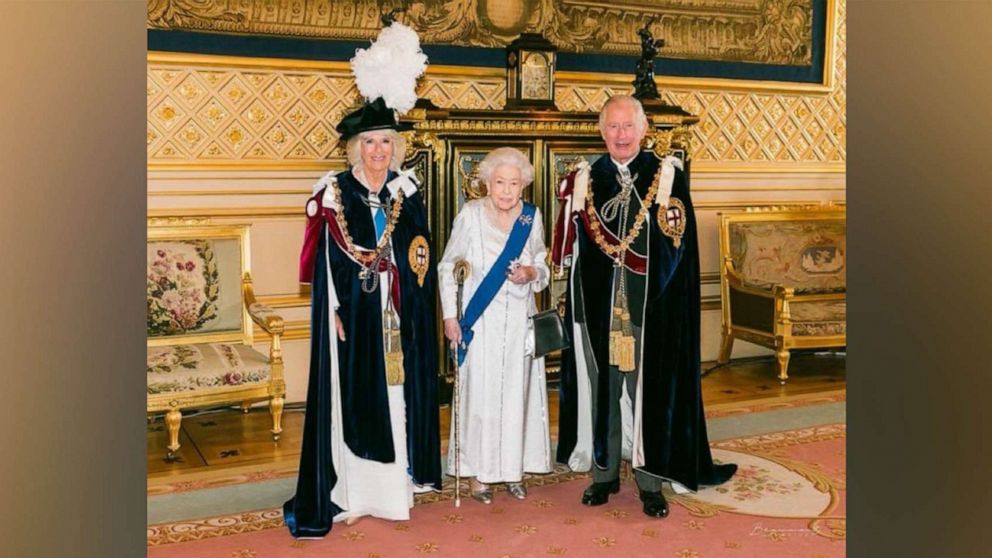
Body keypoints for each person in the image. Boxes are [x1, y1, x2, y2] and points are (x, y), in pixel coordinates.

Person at [284, 21, 440, 537]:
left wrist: (413, 302)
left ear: (396, 148)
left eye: (385, 142)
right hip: (353, 316)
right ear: (355, 147)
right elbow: (318, 261)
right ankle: (354, 491)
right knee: (354, 398)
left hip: (397, 318)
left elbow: (421, 253)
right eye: (369, 142)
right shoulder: (333, 194)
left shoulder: (406, 193)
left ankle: (396, 489)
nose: (377, 151)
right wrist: (330, 310)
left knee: (396, 395)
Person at [551, 95, 737, 518]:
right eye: (613, 127)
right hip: (600, 309)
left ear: (643, 129)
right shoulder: (586, 178)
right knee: (604, 392)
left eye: (628, 126)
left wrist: (663, 306)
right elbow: (575, 251)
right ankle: (604, 476)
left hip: (651, 311)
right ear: (602, 132)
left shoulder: (666, 175)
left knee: (648, 393)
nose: (620, 135)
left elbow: (680, 246)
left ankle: (650, 481)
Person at [438, 147, 553, 504]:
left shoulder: (531, 218)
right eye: (500, 182)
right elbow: (447, 267)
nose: (506, 190)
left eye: (514, 183)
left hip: (519, 322)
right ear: (487, 183)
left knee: (517, 395)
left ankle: (513, 471)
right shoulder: (471, 215)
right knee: (481, 398)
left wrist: (531, 272)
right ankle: (480, 477)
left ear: (524, 186)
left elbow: (542, 264)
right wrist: (449, 316)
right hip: (480, 323)